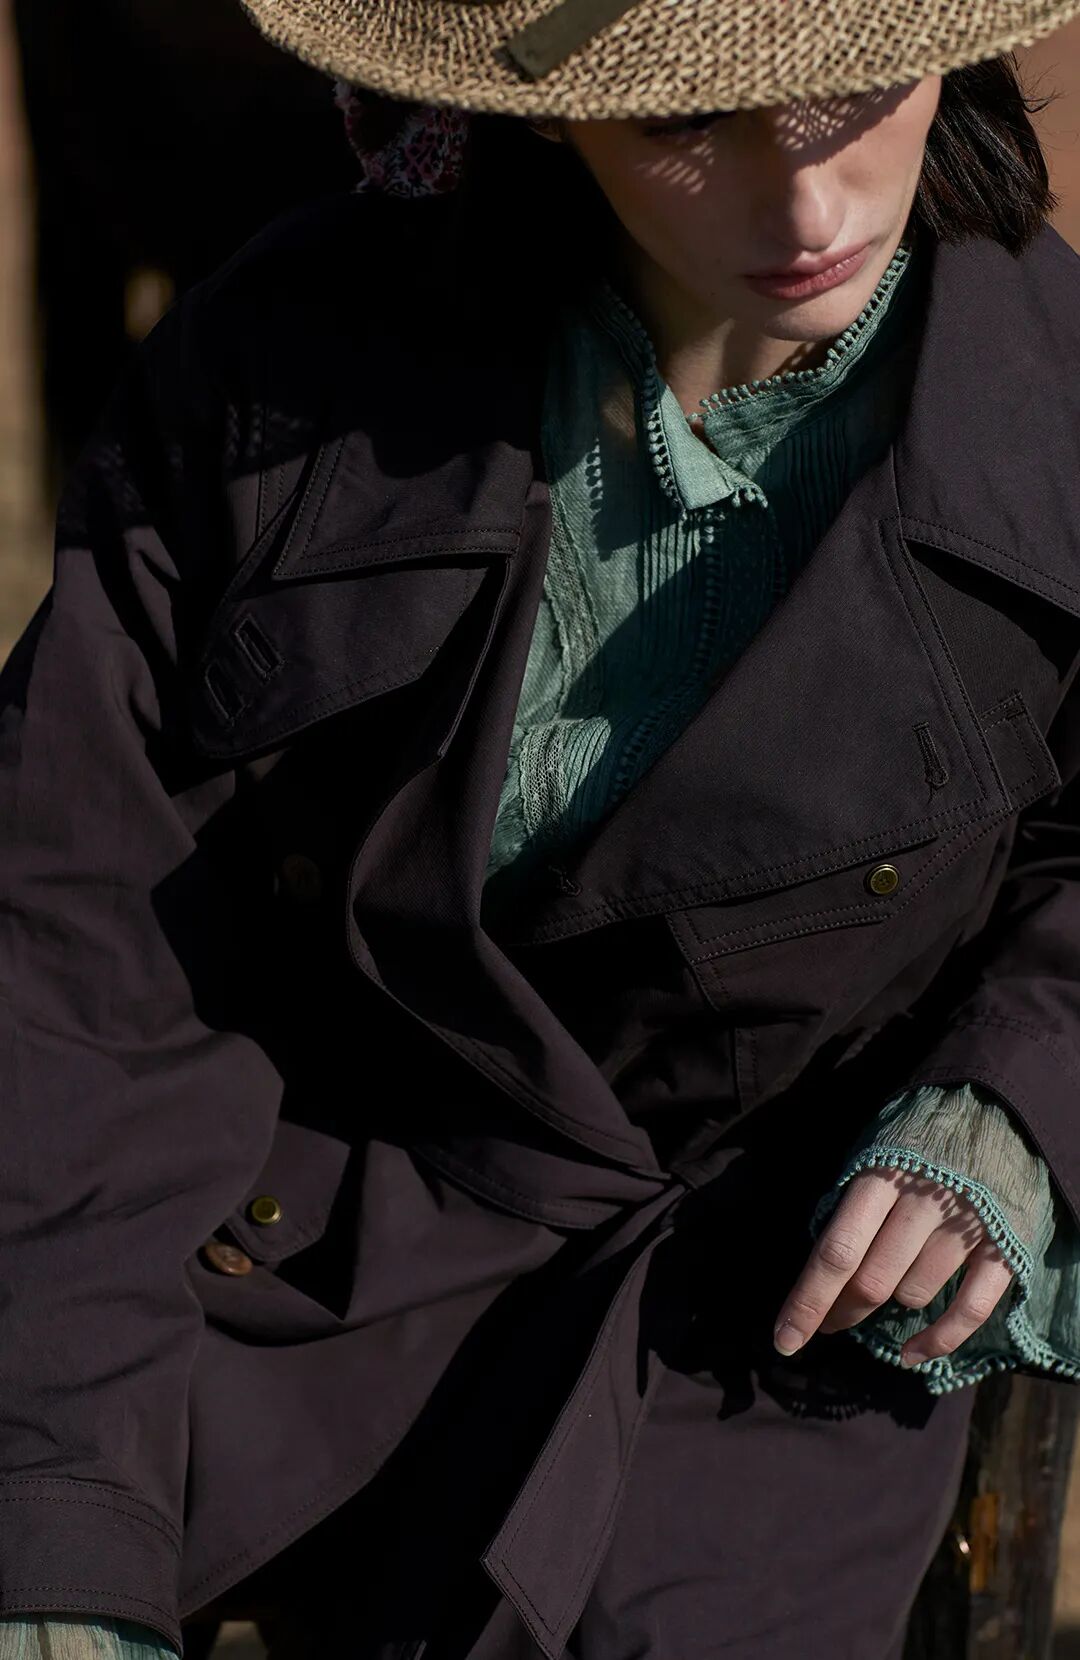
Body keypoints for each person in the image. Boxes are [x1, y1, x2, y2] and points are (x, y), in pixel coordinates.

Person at [4, 0, 1080, 1656]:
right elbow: (80, 950)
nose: (806, 201)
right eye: (687, 123)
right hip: (265, 1272)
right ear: (543, 110)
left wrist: (1017, 1104)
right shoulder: (280, 370)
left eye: (855, 84)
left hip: (758, 1345)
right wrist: (57, 1523)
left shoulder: (1061, 418)